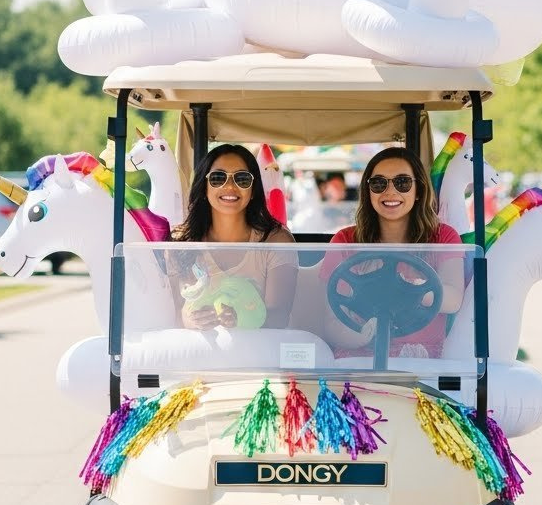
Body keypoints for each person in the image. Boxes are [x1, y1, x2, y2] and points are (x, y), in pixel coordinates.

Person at [319, 147, 464, 357]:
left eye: (402, 182)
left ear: (419, 191)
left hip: (420, 359)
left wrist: (405, 289)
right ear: (368, 192)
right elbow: (332, 322)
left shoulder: (443, 237)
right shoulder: (345, 241)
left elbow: (453, 299)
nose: (390, 191)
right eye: (378, 184)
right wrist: (362, 336)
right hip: (359, 357)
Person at [169, 144, 297, 329]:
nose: (229, 186)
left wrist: (243, 318)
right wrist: (189, 319)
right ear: (204, 187)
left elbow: (279, 317)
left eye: (242, 179)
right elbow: (173, 315)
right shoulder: (180, 242)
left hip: (261, 354)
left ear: (253, 190)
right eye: (218, 178)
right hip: (199, 355)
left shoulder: (278, 240)